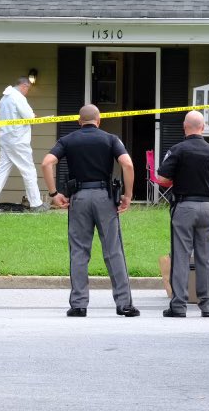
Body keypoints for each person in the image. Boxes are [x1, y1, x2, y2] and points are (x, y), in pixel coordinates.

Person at [41, 104, 140, 318]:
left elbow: (47, 163)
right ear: (99, 120)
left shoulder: (68, 140)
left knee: (79, 251)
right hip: (105, 197)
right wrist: (128, 196)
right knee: (113, 250)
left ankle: (78, 304)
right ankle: (124, 304)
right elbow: (128, 165)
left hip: (79, 198)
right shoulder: (111, 139)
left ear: (79, 121)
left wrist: (53, 193)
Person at [157, 110, 209, 318]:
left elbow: (162, 179)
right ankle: (208, 305)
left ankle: (179, 305)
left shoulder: (177, 150)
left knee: (181, 256)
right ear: (204, 127)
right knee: (207, 257)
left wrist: (181, 179)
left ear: (184, 127)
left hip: (184, 207)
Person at [0, 77, 48, 213]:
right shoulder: (18, 97)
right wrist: (33, 115)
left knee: (2, 169)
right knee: (29, 170)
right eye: (28, 89)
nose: (27, 92)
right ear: (24, 86)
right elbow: (29, 116)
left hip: (6, 138)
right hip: (18, 140)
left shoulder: (4, 98)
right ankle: (36, 204)